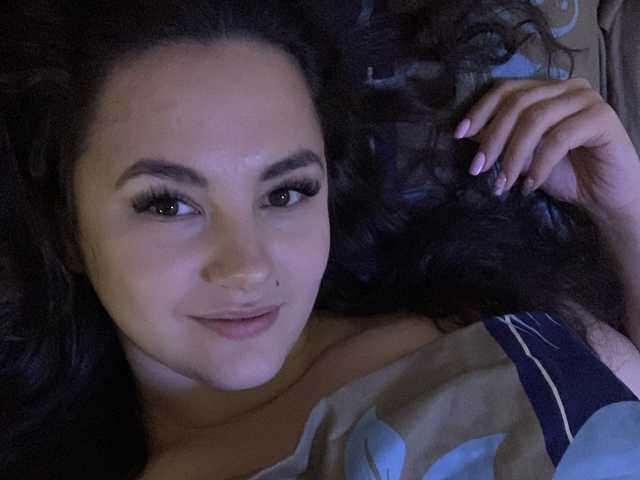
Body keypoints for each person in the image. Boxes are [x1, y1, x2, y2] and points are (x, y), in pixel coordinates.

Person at [2, 0, 640, 478]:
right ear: (67, 228)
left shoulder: (495, 320)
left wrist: (624, 211)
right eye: (168, 204)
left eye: (285, 193)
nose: (247, 267)